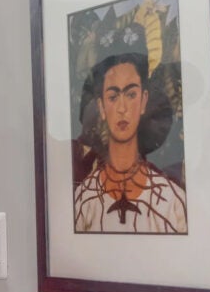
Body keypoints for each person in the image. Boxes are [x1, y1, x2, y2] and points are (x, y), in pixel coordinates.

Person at [73, 23, 187, 233]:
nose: (123, 108)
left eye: (131, 94)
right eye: (113, 96)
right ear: (101, 106)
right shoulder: (84, 201)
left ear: (144, 100)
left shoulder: (171, 201)